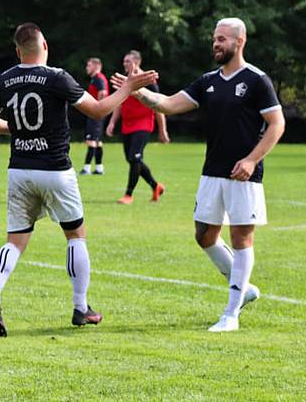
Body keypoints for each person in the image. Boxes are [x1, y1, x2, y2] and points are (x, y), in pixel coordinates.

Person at [0, 22, 158, 337]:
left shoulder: (4, 79)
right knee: (75, 235)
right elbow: (98, 110)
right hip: (55, 169)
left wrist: (19, 130)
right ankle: (80, 307)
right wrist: (127, 89)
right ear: (44, 45)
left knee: (15, 239)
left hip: (19, 169)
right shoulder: (57, 77)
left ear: (18, 50)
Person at [119, 17, 285, 332]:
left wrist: (251, 160)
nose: (216, 44)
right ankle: (244, 288)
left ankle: (231, 313)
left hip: (243, 175)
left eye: (222, 39)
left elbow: (277, 124)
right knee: (204, 236)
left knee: (241, 238)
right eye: (214, 39)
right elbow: (167, 104)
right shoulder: (208, 81)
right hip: (212, 172)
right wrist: (137, 91)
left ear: (240, 41)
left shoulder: (256, 80)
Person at [105, 50, 170, 205]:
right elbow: (119, 103)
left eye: (127, 61)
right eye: (124, 61)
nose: (124, 63)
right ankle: (156, 186)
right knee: (133, 160)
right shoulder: (125, 80)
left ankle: (128, 195)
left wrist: (163, 130)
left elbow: (158, 104)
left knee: (135, 158)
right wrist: (112, 122)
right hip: (127, 125)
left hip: (143, 124)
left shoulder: (147, 80)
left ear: (137, 62)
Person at [79, 57, 109, 175]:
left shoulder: (98, 78)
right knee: (98, 141)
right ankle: (99, 168)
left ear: (96, 66)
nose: (87, 68)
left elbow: (103, 92)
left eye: (89, 65)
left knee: (91, 140)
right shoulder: (97, 78)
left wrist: (97, 107)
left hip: (96, 113)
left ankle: (86, 168)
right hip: (100, 113)